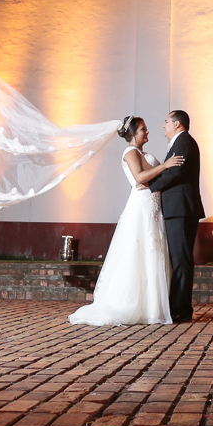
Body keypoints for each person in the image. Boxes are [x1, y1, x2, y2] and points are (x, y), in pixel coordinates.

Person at [69, 116, 184, 326]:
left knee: (153, 252)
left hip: (152, 207)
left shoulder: (143, 153)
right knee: (139, 251)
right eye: (143, 130)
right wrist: (166, 165)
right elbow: (140, 177)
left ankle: (152, 307)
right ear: (133, 133)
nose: (147, 132)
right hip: (140, 207)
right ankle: (131, 304)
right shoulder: (130, 152)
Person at [146, 110, 203, 323]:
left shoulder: (185, 143)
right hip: (176, 209)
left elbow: (176, 172)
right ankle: (177, 305)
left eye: (166, 121)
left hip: (182, 209)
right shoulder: (179, 143)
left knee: (181, 260)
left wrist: (150, 186)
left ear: (177, 124)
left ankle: (181, 309)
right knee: (177, 259)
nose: (163, 125)